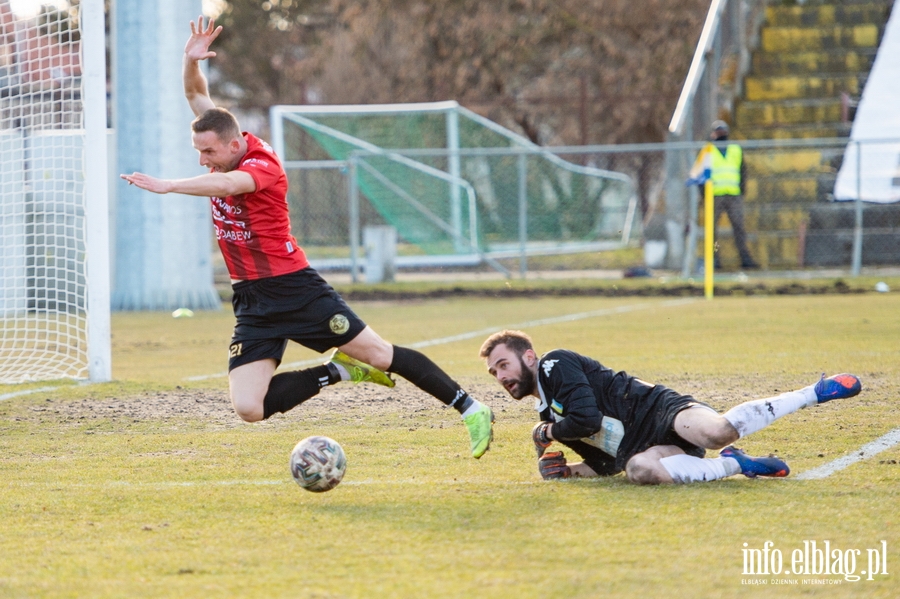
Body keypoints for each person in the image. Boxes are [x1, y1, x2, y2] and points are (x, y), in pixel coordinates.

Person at [120, 17, 494, 458]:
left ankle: (470, 408)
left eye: (208, 152)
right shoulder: (222, 142)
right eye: (198, 152)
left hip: (294, 287)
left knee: (378, 352)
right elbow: (194, 94)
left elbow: (225, 187)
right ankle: (337, 373)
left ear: (235, 142)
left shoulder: (262, 167)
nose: (203, 160)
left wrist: (168, 185)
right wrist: (190, 59)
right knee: (248, 407)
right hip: (253, 301)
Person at [479, 330, 862, 484]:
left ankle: (814, 391)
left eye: (504, 364)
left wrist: (546, 433)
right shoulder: (547, 413)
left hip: (657, 409)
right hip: (642, 447)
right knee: (640, 471)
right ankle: (737, 464)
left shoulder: (553, 364)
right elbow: (606, 462)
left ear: (528, 356)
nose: (500, 375)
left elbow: (586, 418)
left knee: (716, 432)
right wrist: (568, 471)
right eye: (494, 371)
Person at [698, 120, 759, 270]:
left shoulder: (735, 149)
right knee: (712, 230)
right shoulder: (707, 151)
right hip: (715, 196)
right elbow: (700, 175)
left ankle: (745, 257)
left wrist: (741, 191)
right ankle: (714, 258)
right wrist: (704, 195)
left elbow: (743, 172)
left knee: (739, 228)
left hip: (733, 195)